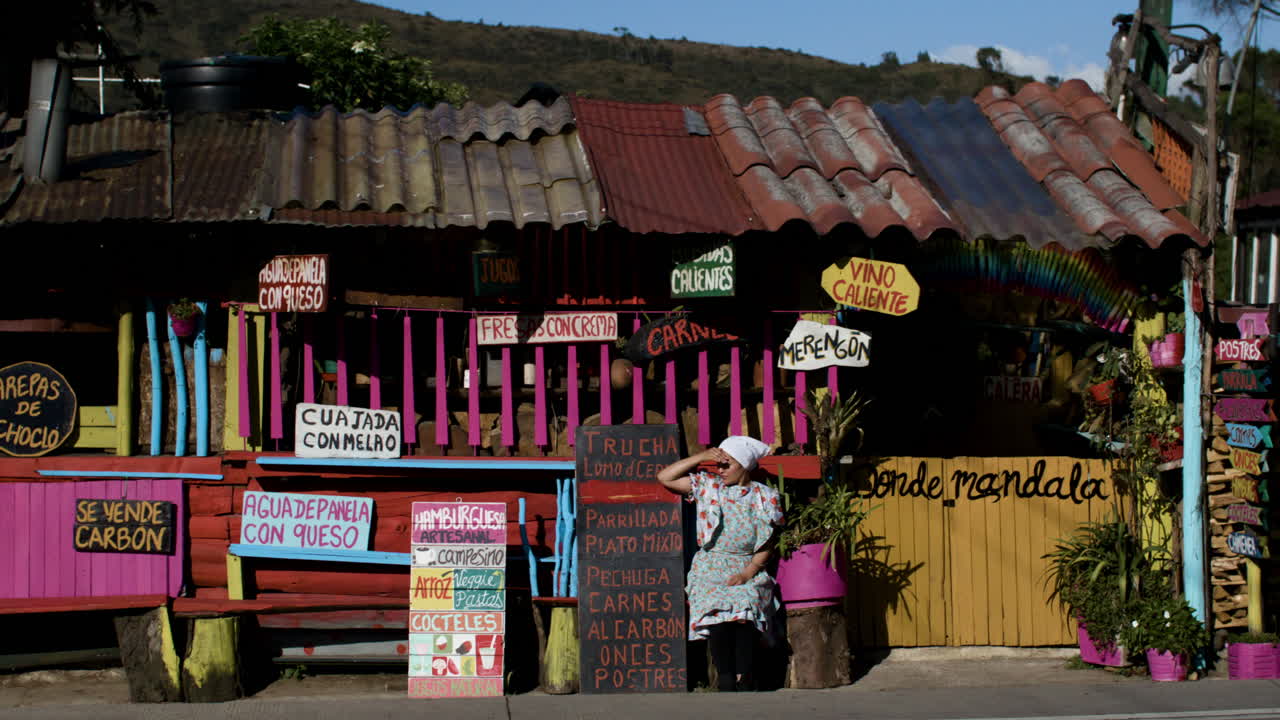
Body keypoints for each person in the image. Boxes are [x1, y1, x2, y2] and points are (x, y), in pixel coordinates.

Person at [657, 435, 783, 692]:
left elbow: (767, 543)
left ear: (745, 466)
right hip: (711, 565)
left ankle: (745, 675)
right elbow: (665, 477)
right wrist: (701, 458)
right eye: (719, 465)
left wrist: (748, 573)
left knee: (745, 608)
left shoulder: (764, 496)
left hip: (746, 565)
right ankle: (725, 676)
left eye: (728, 465)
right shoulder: (708, 486)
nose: (721, 470)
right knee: (717, 612)